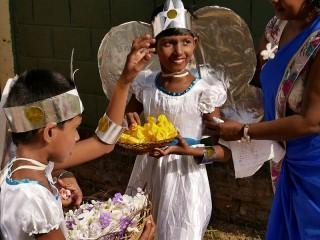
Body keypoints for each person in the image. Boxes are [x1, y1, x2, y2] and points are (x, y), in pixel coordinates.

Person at [0, 35, 156, 240]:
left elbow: (103, 142)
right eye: (75, 129)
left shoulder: (17, 167)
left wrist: (125, 80)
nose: (77, 137)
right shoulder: (35, 199)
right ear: (49, 132)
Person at [205, 0, 320, 239]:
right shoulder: (276, 28)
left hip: (313, 167)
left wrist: (244, 130)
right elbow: (261, 85)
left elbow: (311, 121)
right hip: (287, 159)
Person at [124, 1, 231, 239]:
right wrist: (130, 125)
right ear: (154, 46)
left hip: (186, 178)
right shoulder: (145, 85)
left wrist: (190, 151)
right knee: (140, 231)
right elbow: (126, 125)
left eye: (186, 42)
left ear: (196, 42)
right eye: (168, 43)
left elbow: (224, 152)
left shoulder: (205, 92)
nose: (178, 51)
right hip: (147, 173)